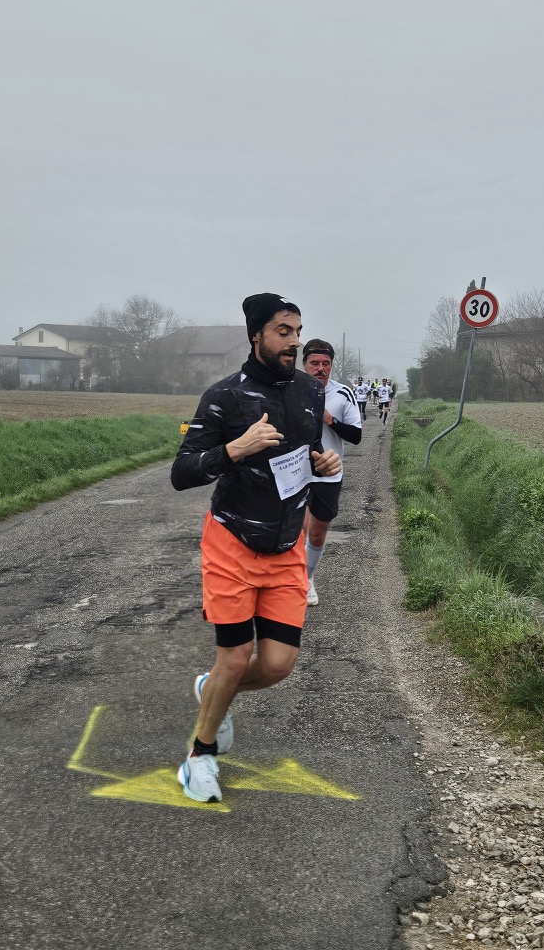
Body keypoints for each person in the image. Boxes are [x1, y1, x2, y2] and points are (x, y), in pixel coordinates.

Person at [170, 293, 342, 803]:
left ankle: (212, 691)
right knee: (236, 656)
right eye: (283, 332)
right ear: (256, 336)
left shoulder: (310, 391)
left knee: (277, 665)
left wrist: (322, 462)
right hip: (232, 543)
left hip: (285, 545)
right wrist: (233, 449)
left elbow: (304, 451)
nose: (294, 341)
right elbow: (181, 472)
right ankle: (199, 756)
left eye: (297, 331)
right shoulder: (224, 396)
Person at [301, 339, 362, 606]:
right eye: (314, 363)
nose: (321, 368)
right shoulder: (290, 390)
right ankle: (294, 582)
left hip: (329, 473)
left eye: (326, 363)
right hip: (295, 473)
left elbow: (356, 436)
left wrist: (329, 419)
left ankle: (308, 579)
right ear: (304, 364)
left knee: (317, 533)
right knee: (297, 531)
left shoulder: (343, 393)